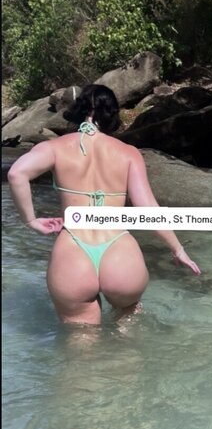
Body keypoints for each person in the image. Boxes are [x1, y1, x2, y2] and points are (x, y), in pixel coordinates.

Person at [8, 83, 200, 325]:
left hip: (73, 250)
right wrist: (177, 249)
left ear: (79, 110)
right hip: (118, 248)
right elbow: (148, 209)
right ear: (111, 114)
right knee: (127, 326)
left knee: (81, 340)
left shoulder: (54, 148)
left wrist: (31, 220)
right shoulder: (128, 153)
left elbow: (16, 174)